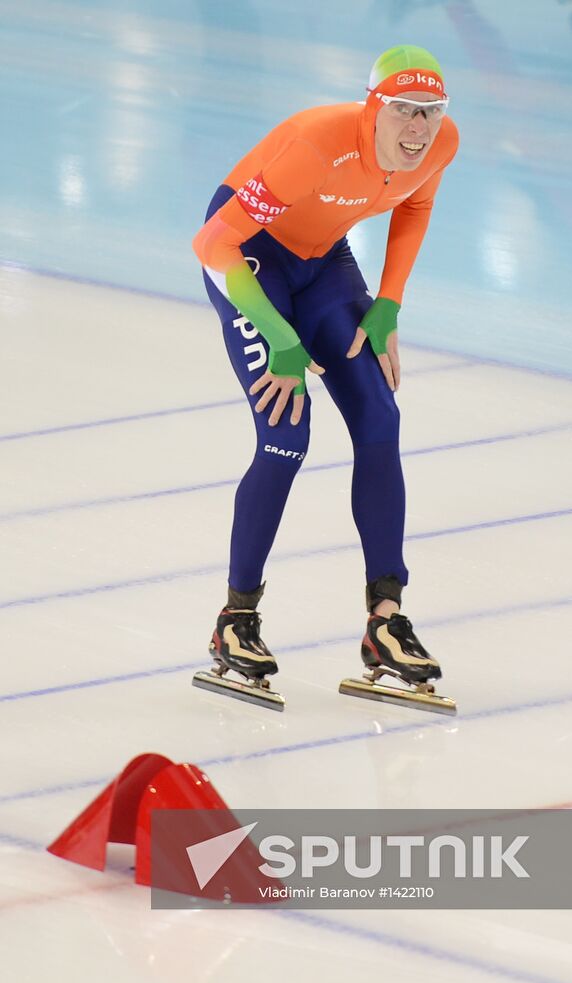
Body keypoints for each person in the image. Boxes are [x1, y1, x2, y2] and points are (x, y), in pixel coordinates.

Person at [191, 44, 458, 712]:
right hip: (251, 259)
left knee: (378, 418)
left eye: (428, 112)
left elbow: (415, 208)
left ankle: (385, 622)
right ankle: (235, 619)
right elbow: (212, 245)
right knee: (286, 434)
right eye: (403, 111)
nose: (417, 129)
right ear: (372, 109)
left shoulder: (439, 144)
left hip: (322, 262)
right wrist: (280, 339)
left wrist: (389, 302)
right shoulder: (315, 143)